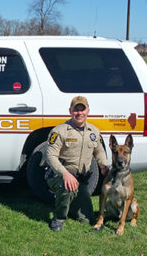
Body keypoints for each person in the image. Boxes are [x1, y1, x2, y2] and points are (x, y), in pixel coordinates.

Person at [45, 96, 108, 231]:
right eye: (76, 110)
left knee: (87, 219)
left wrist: (104, 164)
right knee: (68, 186)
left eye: (82, 109)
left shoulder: (94, 132)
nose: (79, 113)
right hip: (59, 176)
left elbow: (99, 152)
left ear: (88, 111)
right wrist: (65, 173)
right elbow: (50, 155)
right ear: (70, 111)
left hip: (81, 179)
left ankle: (70, 204)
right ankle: (59, 218)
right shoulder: (60, 131)